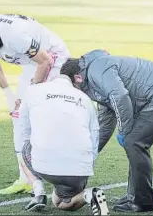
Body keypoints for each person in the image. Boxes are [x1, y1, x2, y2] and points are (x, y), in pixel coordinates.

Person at [60, 49, 153, 213]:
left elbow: (120, 97)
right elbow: (105, 122)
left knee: (134, 142)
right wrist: (89, 154)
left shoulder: (98, 69)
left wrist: (124, 131)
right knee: (133, 141)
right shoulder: (94, 81)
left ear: (77, 78)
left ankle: (143, 201)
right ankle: (134, 195)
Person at [0, 14, 71, 195]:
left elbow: (45, 61)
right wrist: (9, 94)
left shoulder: (15, 36)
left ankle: (63, 173)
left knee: (41, 117)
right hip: (31, 63)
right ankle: (27, 179)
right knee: (19, 117)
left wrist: (29, 95)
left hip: (52, 58)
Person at [16, 74, 109, 215]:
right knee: (62, 202)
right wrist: (88, 164)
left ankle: (38, 193)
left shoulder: (33, 90)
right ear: (73, 83)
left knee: (23, 148)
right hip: (79, 168)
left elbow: (24, 127)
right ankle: (89, 194)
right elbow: (94, 135)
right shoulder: (85, 98)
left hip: (45, 164)